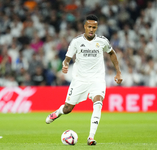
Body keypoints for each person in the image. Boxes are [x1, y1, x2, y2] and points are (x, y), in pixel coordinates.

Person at [45, 14, 123, 145]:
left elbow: (112, 53)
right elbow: (67, 58)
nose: (91, 29)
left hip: (97, 79)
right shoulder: (76, 42)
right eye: (89, 27)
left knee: (98, 103)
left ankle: (91, 137)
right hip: (79, 80)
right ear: (85, 27)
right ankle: (57, 112)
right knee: (67, 109)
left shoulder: (102, 41)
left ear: (96, 27)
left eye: (94, 27)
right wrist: (64, 66)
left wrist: (118, 72)